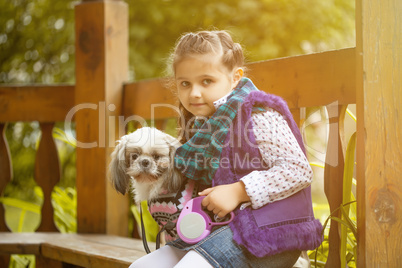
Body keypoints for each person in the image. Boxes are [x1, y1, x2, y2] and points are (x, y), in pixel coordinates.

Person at [130, 30, 322, 268]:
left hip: (269, 237)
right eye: (185, 84)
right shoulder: (203, 127)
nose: (195, 93)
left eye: (207, 81)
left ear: (234, 78)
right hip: (219, 231)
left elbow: (299, 170)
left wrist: (238, 191)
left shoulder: (258, 114)